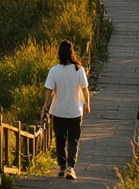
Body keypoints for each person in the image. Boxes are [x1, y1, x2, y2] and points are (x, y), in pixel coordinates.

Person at [41, 40, 90, 180]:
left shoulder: (54, 70)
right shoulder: (78, 69)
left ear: (59, 53)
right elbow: (85, 90)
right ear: (71, 52)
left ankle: (62, 166)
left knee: (60, 140)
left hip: (58, 111)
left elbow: (49, 92)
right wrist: (87, 104)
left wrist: (45, 107)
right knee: (73, 140)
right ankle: (70, 167)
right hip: (75, 111)